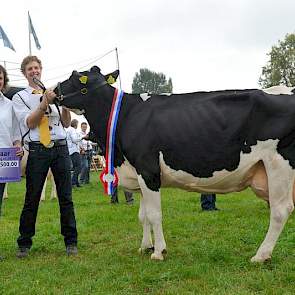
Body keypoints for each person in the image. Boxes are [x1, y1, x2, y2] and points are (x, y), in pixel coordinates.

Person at [12, 56, 78, 258]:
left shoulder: (52, 92)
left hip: (60, 148)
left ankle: (71, 241)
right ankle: (24, 242)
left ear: (41, 70)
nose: (34, 71)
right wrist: (44, 103)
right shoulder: (20, 97)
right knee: (32, 197)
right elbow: (30, 123)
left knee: (65, 197)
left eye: (37, 68)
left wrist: (65, 105)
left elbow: (66, 123)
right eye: (30, 69)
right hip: (38, 149)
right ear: (25, 73)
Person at [0, 65, 23, 260]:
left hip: (3, 159)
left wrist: (18, 146)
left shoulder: (9, 105)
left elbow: (16, 133)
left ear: (3, 81)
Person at [66, 119, 83, 187]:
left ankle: (76, 182)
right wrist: (82, 137)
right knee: (78, 166)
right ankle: (73, 182)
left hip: (71, 150)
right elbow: (74, 139)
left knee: (75, 167)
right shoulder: (72, 130)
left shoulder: (68, 130)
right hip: (74, 151)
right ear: (75, 124)